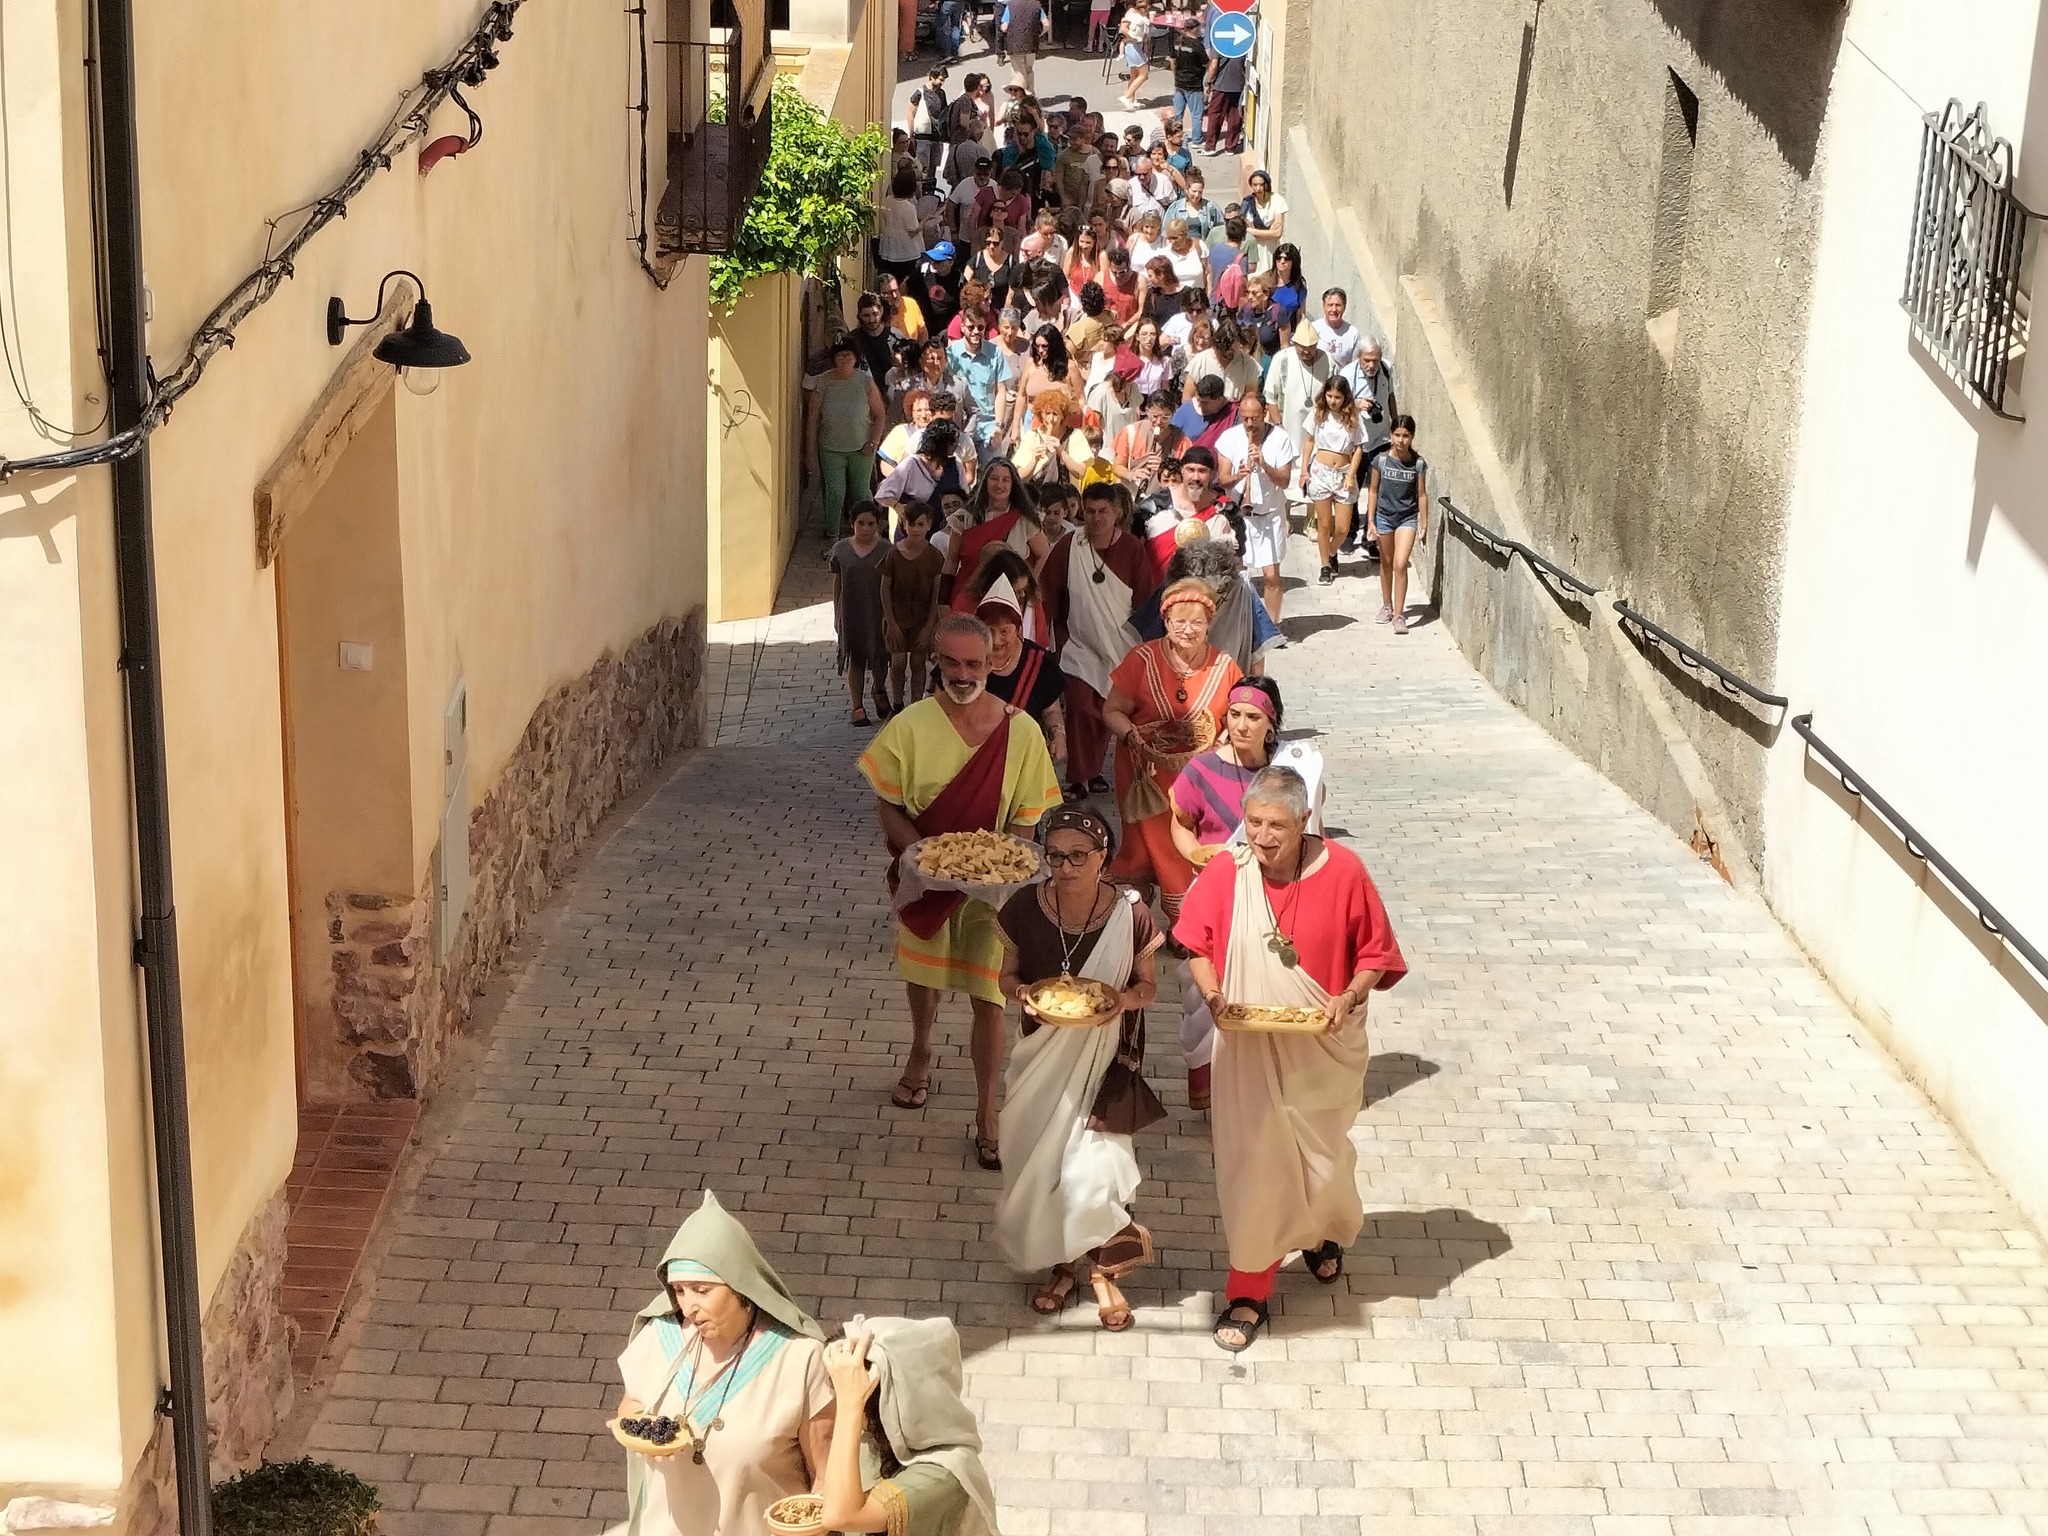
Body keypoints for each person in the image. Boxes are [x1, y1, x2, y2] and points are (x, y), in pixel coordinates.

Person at [1176, 767, 1408, 1352]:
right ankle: (1248, 1287)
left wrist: (1349, 996)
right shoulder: (1228, 871)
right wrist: (1213, 996)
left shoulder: (1346, 870)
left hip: (1325, 1044)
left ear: (1305, 822)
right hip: (1248, 1045)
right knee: (1258, 1162)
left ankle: (1321, 1229)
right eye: (1253, 822)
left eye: (1276, 825)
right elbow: (1195, 944)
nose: (1262, 836)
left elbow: (1376, 953)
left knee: (1321, 1158)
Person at [860, 613, 1064, 1169]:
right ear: (937, 662)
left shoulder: (1020, 731)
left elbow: (1025, 821)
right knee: (924, 980)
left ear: (994, 663)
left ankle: (986, 1111)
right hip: (926, 881)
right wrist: (918, 857)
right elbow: (888, 804)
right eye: (950, 662)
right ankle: (921, 1050)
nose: (962, 673)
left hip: (992, 894)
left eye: (974, 663)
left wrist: (1003, 867)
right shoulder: (909, 725)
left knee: (988, 998)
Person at [994, 805, 1165, 1328]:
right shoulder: (1025, 906)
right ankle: (1063, 1265)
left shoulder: (1130, 914)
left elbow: (1149, 987)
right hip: (1041, 1058)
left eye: (1077, 856)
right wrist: (1023, 993)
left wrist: (1121, 1002)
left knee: (1096, 1169)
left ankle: (1101, 1273)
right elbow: (1008, 977)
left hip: (1105, 1056)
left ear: (1102, 857)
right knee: (1043, 1166)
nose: (1064, 867)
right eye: (1055, 856)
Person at [615, 1191, 831, 1536]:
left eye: (702, 1290)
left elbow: (825, 1471)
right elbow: (631, 1406)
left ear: (742, 1288)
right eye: (680, 1290)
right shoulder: (659, 1337)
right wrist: (639, 1428)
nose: (688, 1307)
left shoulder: (799, 1358)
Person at [1166, 678, 1323, 1108]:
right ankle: (1213, 1087)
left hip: (1280, 895)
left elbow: (1314, 832)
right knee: (1206, 990)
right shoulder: (1200, 770)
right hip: (1219, 892)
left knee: (1270, 989)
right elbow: (1178, 821)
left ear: (1271, 724)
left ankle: (1263, 1087)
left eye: (1253, 717)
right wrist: (1195, 852)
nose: (1241, 725)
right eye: (1234, 715)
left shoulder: (1295, 770)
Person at [1102, 576, 1242, 935]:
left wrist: (1225, 742)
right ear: (1165, 621)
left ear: (1210, 624)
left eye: (1197, 622)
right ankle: (1143, 920)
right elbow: (1112, 710)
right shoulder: (1141, 658)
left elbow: (1237, 716)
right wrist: (1133, 737)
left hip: (1202, 778)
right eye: (1179, 621)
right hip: (1145, 775)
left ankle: (1186, 923)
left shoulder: (1225, 667)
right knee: (1149, 846)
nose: (1187, 630)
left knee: (1194, 845)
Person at [818, 1319, 999, 1536]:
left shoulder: (942, 1473)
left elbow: (841, 1516)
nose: (835, 1399)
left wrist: (850, 1404)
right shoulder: (873, 1433)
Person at [1040, 479, 1156, 799]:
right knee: (1079, 707)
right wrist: (1042, 638)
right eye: (1089, 511)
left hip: (1120, 645)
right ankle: (1078, 777)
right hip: (1078, 643)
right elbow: (1047, 592)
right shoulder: (1069, 545)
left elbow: (1145, 599)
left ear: (1116, 513)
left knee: (1106, 710)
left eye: (1102, 511)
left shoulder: (1132, 548)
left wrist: (1150, 647)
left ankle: (1092, 770)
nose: (1095, 518)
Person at [1214, 390, 1297, 620]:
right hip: (1239, 517)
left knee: (1271, 575)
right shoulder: (1229, 438)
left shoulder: (1280, 439)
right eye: (1245, 418)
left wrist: (1264, 464)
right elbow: (1222, 479)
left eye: (1255, 418)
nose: (1249, 424)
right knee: (1238, 574)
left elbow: (1285, 480)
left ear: (1264, 415)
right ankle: (1239, 622)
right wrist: (1239, 476)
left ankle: (1273, 625)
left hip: (1270, 515)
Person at [974, 571, 1066, 763]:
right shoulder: (965, 657)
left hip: (1024, 758)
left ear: (1018, 629)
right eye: (989, 631)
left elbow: (1051, 710)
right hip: (973, 757)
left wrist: (1059, 734)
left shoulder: (1039, 662)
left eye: (1004, 631)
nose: (996, 639)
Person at [808, 339, 888, 544]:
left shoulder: (865, 381)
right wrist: (808, 453)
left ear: (855, 358)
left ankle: (869, 532)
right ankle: (833, 534)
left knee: (862, 493)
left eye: (849, 354)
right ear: (833, 359)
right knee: (835, 492)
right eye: (840, 354)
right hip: (831, 448)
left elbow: (879, 415)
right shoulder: (823, 382)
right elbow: (813, 419)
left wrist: (873, 443)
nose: (844, 358)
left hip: (862, 449)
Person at [943, 458, 1049, 610]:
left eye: (1005, 480)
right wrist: (943, 602)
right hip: (968, 599)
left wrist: (1028, 588)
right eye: (994, 479)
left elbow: (1043, 553)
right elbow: (951, 561)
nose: (999, 485)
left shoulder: (1024, 520)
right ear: (985, 481)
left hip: (1011, 602)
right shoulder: (964, 518)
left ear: (1013, 484)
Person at [832, 502, 893, 726]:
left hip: (878, 611)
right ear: (852, 524)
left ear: (878, 525)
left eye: (870, 523)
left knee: (879, 656)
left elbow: (891, 583)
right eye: (860, 523)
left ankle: (878, 689)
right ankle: (857, 706)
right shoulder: (841, 550)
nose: (865, 528)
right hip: (852, 611)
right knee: (855, 657)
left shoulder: (886, 550)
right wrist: (837, 612)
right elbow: (837, 582)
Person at [1368, 413, 1429, 634]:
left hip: (1407, 518)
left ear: (1412, 437)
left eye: (1405, 436)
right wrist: (1370, 521)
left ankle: (1399, 614)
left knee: (1400, 563)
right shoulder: (1381, 461)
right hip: (1384, 517)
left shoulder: (1418, 464)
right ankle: (1387, 605)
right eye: (1397, 435)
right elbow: (1373, 490)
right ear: (1391, 435)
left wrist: (1424, 523)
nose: (1401, 440)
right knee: (1386, 562)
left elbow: (1421, 494)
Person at [1301, 374, 1365, 585]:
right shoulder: (1319, 413)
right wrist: (1304, 470)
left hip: (1343, 472)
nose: (1333, 401)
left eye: (1337, 397)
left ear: (1345, 397)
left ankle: (1330, 551)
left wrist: (1351, 474)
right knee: (1324, 524)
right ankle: (1324, 565)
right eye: (1329, 396)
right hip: (1321, 471)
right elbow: (1309, 442)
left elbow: (1358, 449)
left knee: (1342, 527)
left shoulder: (1353, 417)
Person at [882, 502, 945, 712]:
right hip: (898, 616)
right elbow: (884, 588)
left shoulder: (935, 557)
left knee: (918, 663)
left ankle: (916, 706)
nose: (916, 529)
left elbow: (937, 593)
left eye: (921, 524)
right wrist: (890, 621)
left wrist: (929, 626)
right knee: (898, 662)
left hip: (922, 617)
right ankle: (897, 704)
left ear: (929, 525)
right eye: (912, 524)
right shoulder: (893, 555)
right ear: (904, 525)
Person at [946, 310, 1008, 460]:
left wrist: (998, 427)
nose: (975, 332)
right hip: (960, 427)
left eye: (980, 327)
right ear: (962, 327)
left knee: (993, 469)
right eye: (971, 327)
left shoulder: (995, 353)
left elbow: (1001, 391)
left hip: (987, 426)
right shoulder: (951, 354)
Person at [875, 418, 968, 514]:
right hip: (916, 526)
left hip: (948, 526)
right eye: (951, 441)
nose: (956, 445)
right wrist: (897, 507)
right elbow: (884, 492)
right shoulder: (912, 464)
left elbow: (965, 498)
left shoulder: (956, 467)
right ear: (940, 441)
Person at [1202, 23, 1248, 156]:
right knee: (1234, 116)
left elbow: (1214, 65)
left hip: (1220, 85)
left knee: (1215, 115)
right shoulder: (1243, 44)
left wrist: (1208, 83)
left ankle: (1210, 146)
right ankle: (1230, 147)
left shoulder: (1220, 43)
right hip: (1238, 84)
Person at [877, 165, 928, 283]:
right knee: (905, 282)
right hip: (905, 251)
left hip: (888, 248)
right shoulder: (908, 207)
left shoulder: (887, 200)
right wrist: (924, 221)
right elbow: (912, 231)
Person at [906, 67, 951, 181]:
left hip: (937, 137)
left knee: (934, 167)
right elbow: (910, 113)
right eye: (940, 79)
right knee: (922, 167)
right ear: (932, 77)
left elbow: (944, 113)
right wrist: (911, 134)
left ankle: (930, 192)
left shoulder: (941, 93)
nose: (942, 83)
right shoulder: (920, 92)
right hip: (922, 136)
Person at [1240, 168, 1288, 273]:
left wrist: (1253, 231)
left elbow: (1277, 233)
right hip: (1254, 250)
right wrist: (1269, 232)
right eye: (1255, 185)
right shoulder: (1247, 203)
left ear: (1266, 184)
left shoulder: (1277, 200)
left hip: (1271, 249)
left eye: (1261, 185)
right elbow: (1244, 231)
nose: (1258, 188)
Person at [1312, 287, 1362, 372]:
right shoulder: (1313, 328)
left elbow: (1355, 365)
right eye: (1330, 305)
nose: (1334, 309)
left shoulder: (1352, 333)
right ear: (1324, 306)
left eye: (1338, 305)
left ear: (1344, 307)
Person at [1002, 0, 1048, 94]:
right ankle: (1030, 95)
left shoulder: (1011, 5)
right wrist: (1039, 34)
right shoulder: (1036, 5)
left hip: (1015, 45)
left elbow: (1004, 27)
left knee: (1019, 73)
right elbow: (1046, 24)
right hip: (1031, 44)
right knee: (1029, 70)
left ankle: (1022, 97)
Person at [1118, 0, 1154, 109]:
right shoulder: (1130, 13)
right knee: (1144, 75)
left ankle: (1131, 100)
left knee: (1134, 75)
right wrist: (1134, 37)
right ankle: (1126, 96)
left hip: (1137, 46)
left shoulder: (1140, 12)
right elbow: (1123, 29)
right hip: (1132, 46)